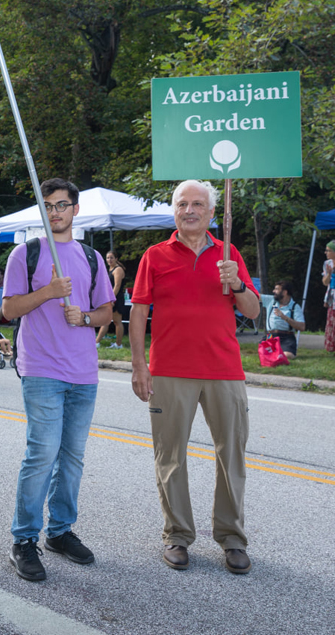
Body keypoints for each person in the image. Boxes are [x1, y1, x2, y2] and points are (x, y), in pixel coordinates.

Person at [130, 179, 260, 575]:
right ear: (174, 211)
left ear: (210, 212)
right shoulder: (155, 255)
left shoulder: (228, 253)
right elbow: (138, 312)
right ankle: (177, 534)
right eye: (183, 204)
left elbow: (253, 311)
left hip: (224, 370)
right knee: (170, 457)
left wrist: (235, 282)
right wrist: (139, 365)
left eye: (198, 204)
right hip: (169, 371)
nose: (190, 210)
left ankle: (232, 538)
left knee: (231, 457)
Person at [2, 178, 114, 582]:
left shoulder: (91, 256)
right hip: (42, 370)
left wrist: (83, 316)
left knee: (72, 459)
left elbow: (106, 311)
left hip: (83, 372)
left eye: (62, 205)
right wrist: (49, 291)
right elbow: (10, 309)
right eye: (48, 205)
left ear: (75, 210)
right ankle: (24, 540)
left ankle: (60, 531)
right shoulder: (25, 254)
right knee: (41, 455)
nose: (56, 212)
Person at [95, 250, 127, 349]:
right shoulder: (109, 269)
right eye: (108, 258)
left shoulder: (118, 270)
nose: (109, 260)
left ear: (116, 259)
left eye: (111, 257)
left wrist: (111, 300)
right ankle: (97, 342)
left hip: (116, 298)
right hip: (110, 298)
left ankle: (118, 344)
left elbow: (117, 286)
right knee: (106, 321)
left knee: (117, 321)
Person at [266, 280, 305, 359]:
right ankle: (276, 352)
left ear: (284, 292)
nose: (273, 291)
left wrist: (284, 317)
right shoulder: (271, 300)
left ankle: (277, 352)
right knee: (264, 352)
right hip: (270, 335)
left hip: (287, 336)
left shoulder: (295, 307)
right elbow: (256, 296)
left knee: (288, 355)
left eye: (276, 289)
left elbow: (302, 327)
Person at [322, 241, 335, 353]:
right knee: (332, 321)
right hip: (332, 297)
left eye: (328, 250)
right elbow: (325, 283)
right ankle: (331, 347)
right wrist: (329, 274)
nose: (326, 252)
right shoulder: (327, 264)